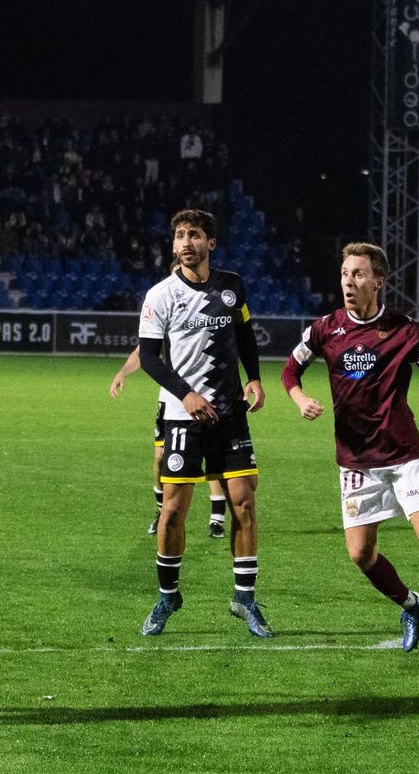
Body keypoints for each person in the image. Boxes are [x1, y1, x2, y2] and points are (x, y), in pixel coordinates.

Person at [281, 242, 419, 652]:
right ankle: (412, 605)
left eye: (358, 274)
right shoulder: (325, 328)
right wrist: (300, 398)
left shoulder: (403, 328)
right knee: (361, 554)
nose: (349, 282)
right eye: (345, 274)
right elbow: (291, 370)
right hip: (356, 461)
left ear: (378, 281)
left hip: (402, 455)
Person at [135, 209, 271, 639]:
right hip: (182, 416)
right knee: (174, 511)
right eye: (179, 235)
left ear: (211, 243)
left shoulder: (231, 287)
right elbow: (150, 358)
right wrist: (186, 394)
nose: (186, 242)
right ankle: (167, 596)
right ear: (173, 245)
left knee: (244, 504)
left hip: (229, 414)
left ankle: (244, 600)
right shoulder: (160, 295)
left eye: (194, 235)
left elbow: (245, 335)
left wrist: (254, 378)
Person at [110, 348, 229, 539]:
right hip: (171, 399)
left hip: (208, 393)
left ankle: (217, 519)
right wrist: (122, 372)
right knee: (160, 458)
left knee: (211, 452)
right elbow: (142, 351)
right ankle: (161, 510)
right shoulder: (168, 320)